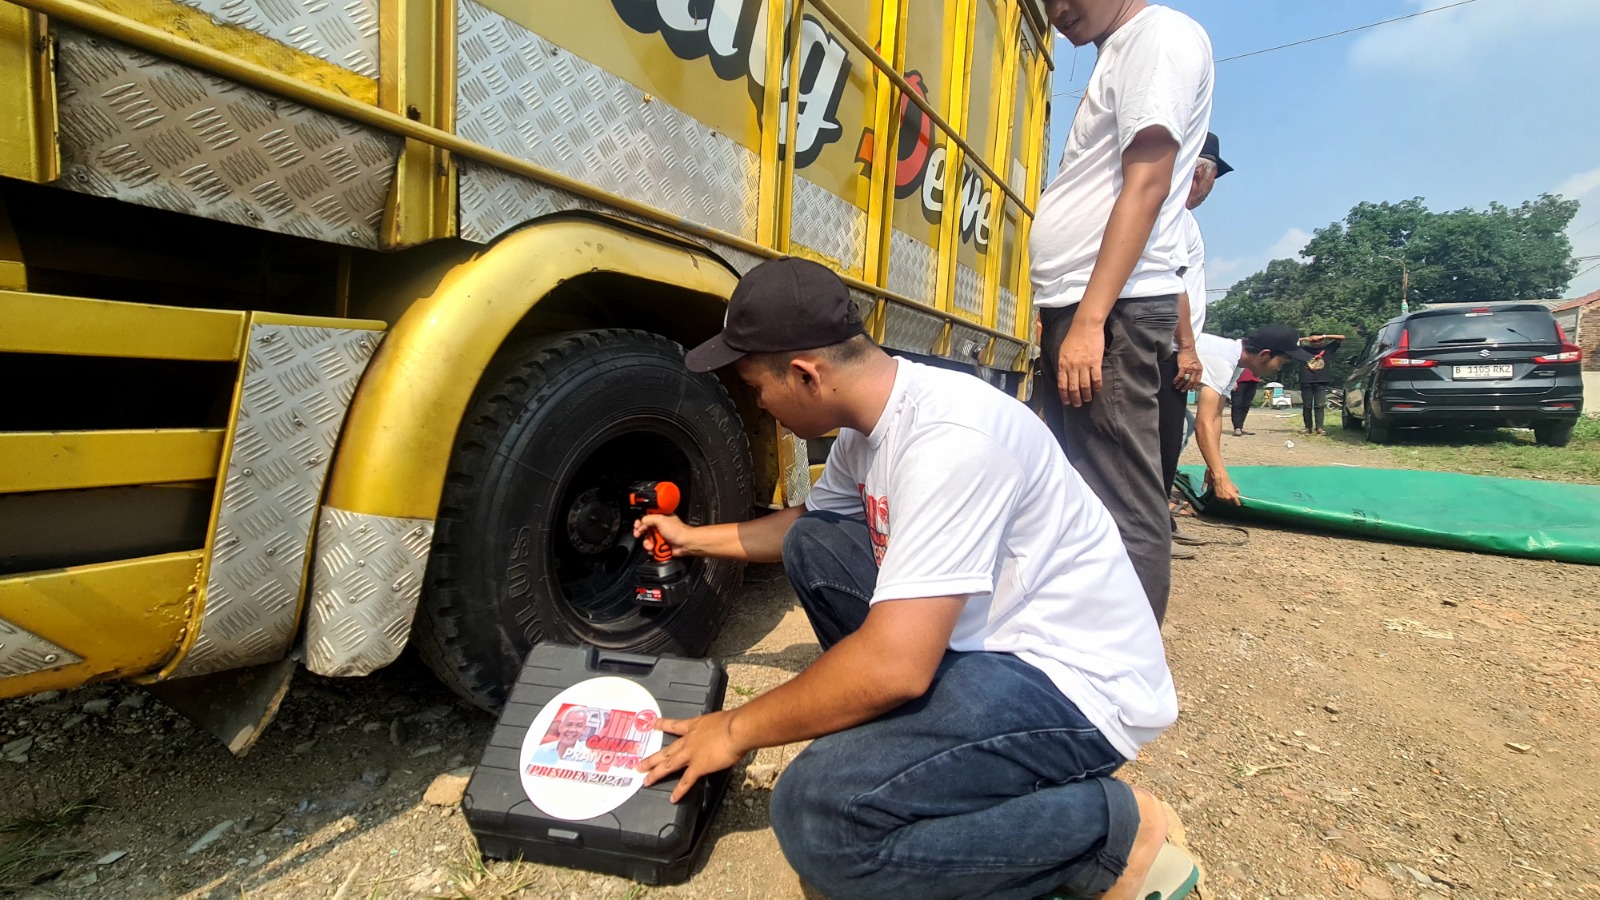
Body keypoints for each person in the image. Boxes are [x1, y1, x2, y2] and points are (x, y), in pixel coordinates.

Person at [634, 257, 1193, 900]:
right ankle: (919, 758)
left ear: (804, 375)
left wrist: (733, 729)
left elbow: (896, 666)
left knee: (819, 815)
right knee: (817, 543)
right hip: (984, 644)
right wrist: (692, 540)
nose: (756, 404)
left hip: (1072, 683)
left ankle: (1113, 831)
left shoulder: (950, 440)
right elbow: (803, 527)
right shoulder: (871, 423)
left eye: (755, 386)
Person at [1030, 0, 1214, 624]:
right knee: (1079, 489)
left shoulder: (1158, 37)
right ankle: (1083, 645)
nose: (1056, 12)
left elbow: (1148, 181)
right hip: (1091, 306)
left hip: (1113, 311)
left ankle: (1118, 676)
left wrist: (1088, 319)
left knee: (1122, 500)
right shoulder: (1122, 48)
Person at [1168, 132, 1233, 559]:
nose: (1210, 191)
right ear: (1199, 173)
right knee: (1161, 435)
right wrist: (1186, 348)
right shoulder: (1173, 215)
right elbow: (1169, 281)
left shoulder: (1178, 218)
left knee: (1171, 432)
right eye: (1213, 179)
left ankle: (1152, 518)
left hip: (1169, 345)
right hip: (1167, 346)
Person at [1184, 326, 1312, 503]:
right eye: (1282, 362)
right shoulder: (1222, 360)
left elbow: (1216, 415)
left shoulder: (1236, 362)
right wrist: (1221, 478)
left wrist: (1214, 466)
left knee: (1182, 425)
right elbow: (1203, 422)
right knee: (1179, 427)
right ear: (1264, 355)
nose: (1279, 369)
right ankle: (1150, 499)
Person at [1298, 334, 1345, 435]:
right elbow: (1292, 344)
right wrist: (1306, 338)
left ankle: (1319, 427)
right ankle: (1307, 427)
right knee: (1307, 406)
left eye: (1318, 341)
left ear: (1322, 341)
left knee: (1319, 405)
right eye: (1314, 341)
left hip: (1321, 381)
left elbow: (1342, 337)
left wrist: (1324, 336)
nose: (1316, 343)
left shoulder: (1327, 349)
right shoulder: (1304, 350)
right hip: (1306, 380)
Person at [529, 706, 594, 767]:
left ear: (584, 730)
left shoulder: (588, 757)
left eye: (579, 725)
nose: (572, 730)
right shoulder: (541, 750)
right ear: (560, 727)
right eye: (568, 724)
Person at [1231, 364, 1261, 435]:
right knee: (1237, 404)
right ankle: (1237, 427)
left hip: (1253, 380)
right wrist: (1233, 381)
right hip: (1239, 381)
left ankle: (1240, 427)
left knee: (1246, 405)